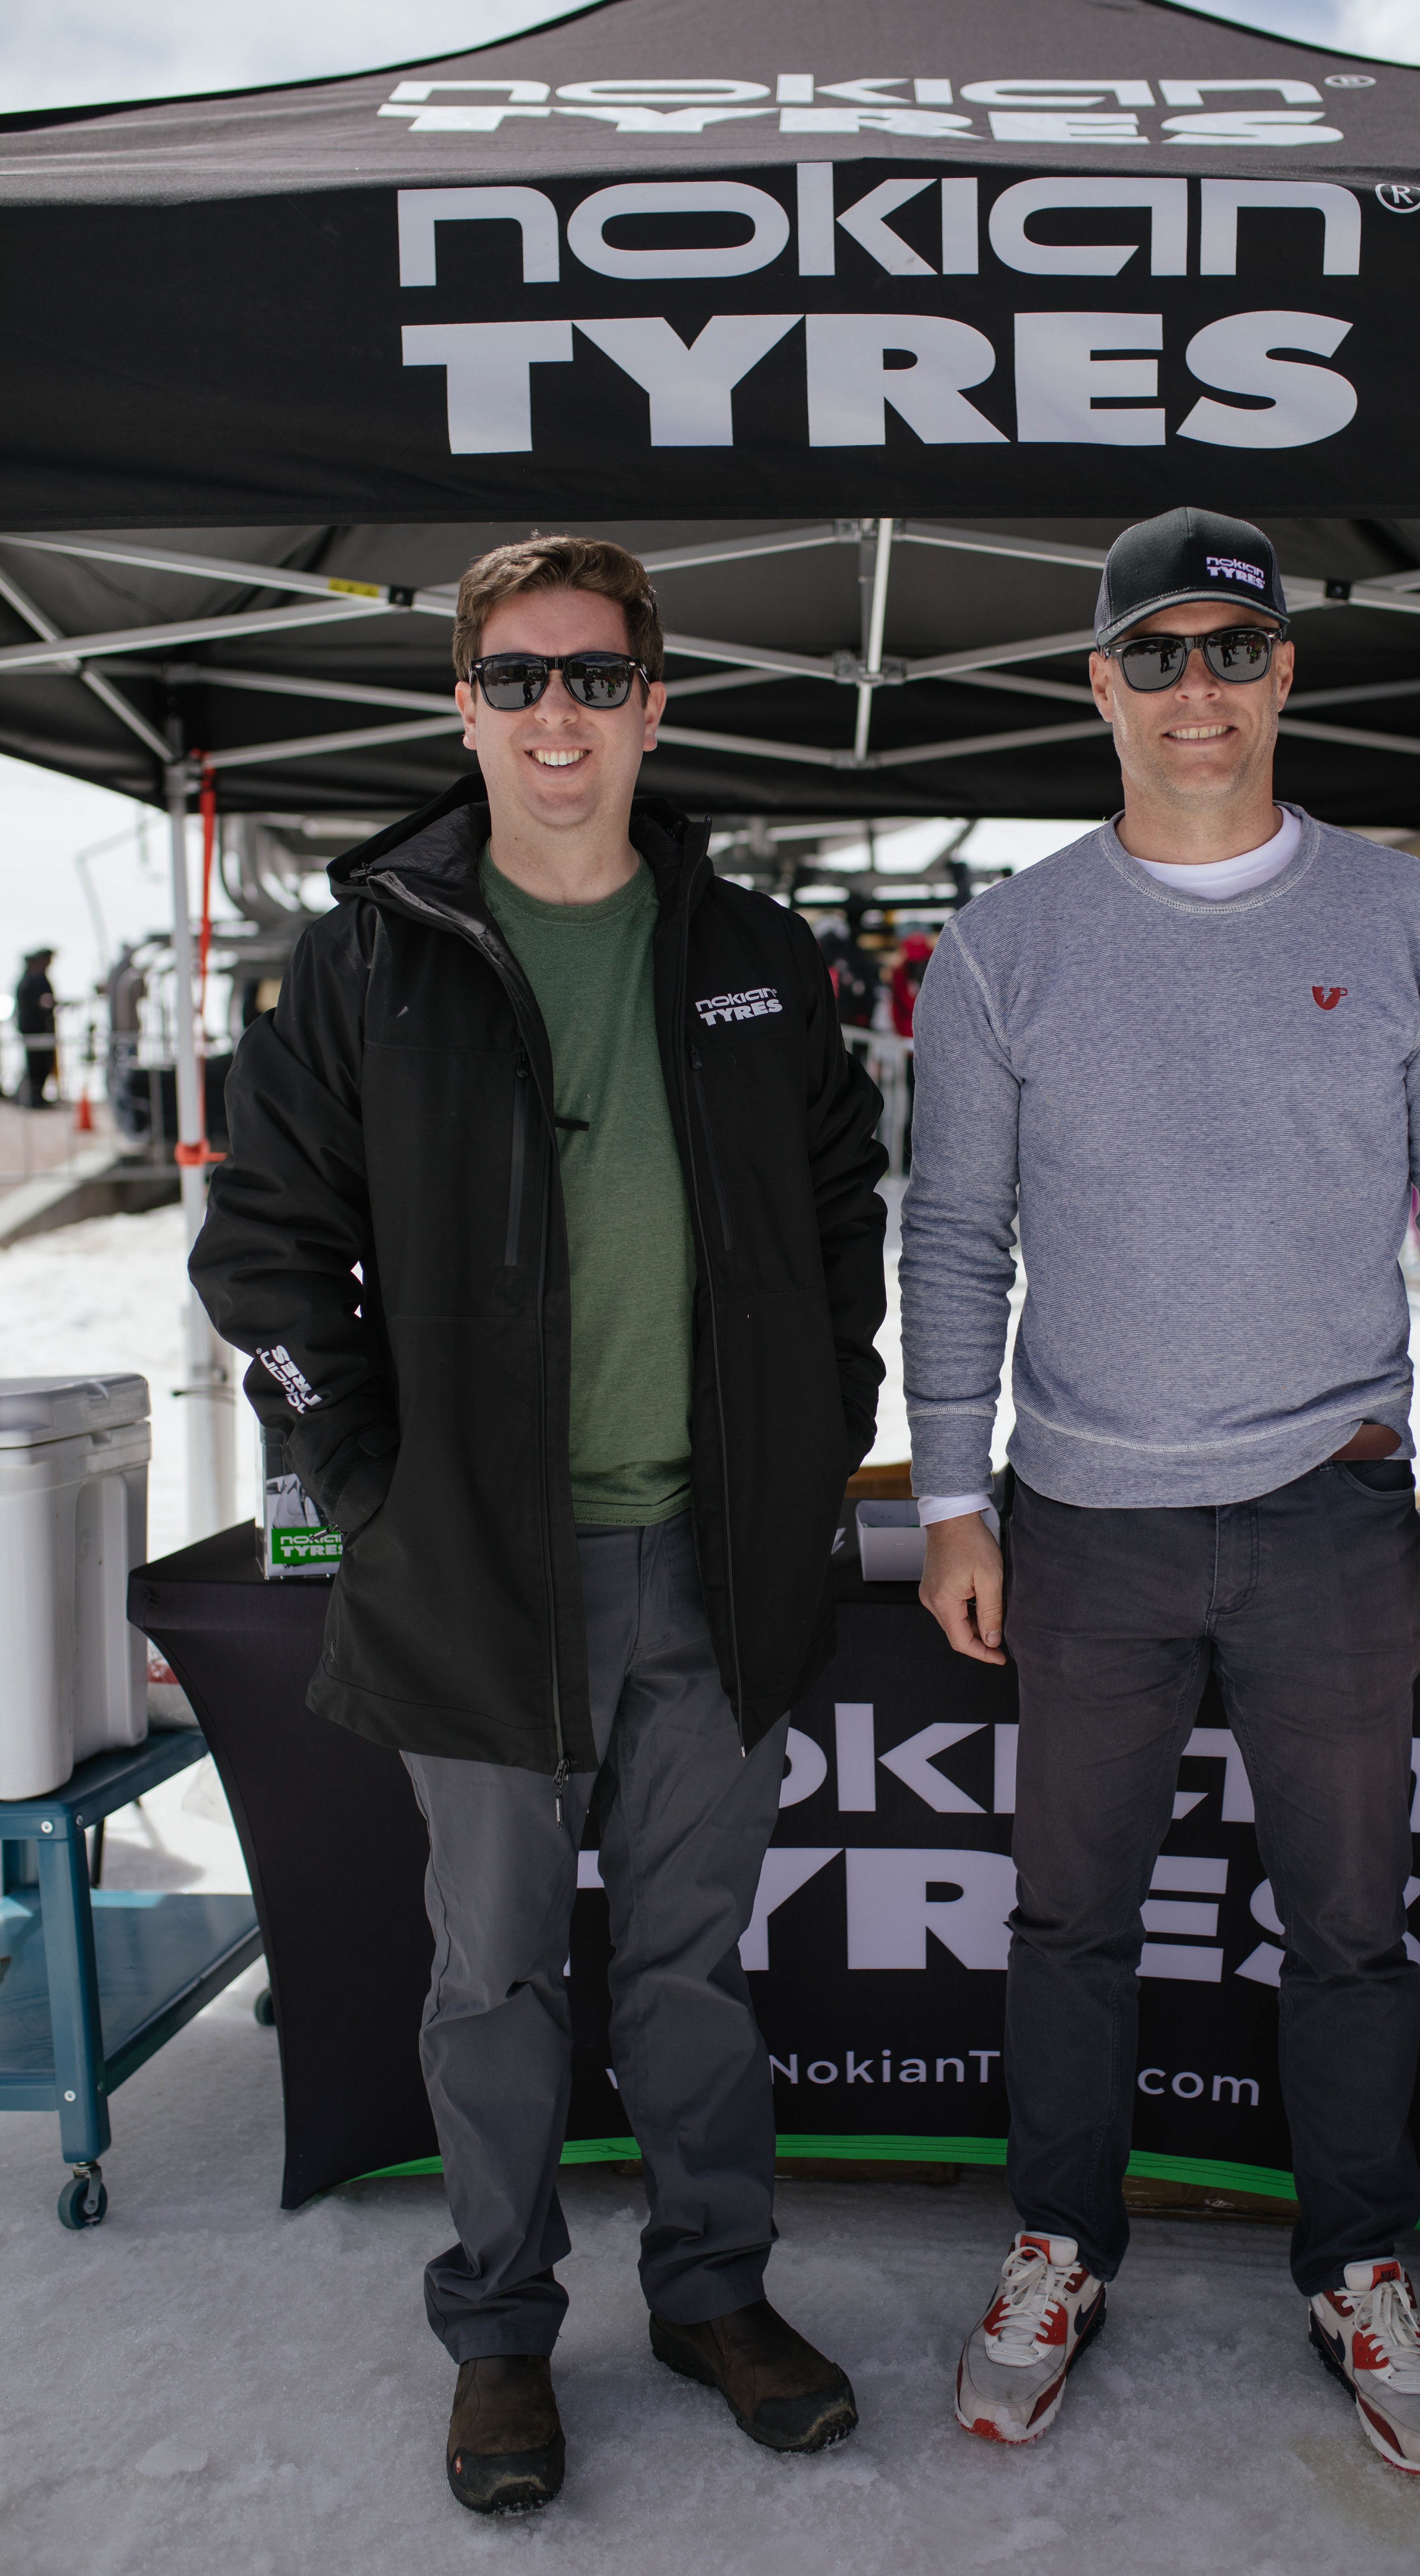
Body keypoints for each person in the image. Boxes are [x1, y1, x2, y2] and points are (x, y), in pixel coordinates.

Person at [191, 535, 888, 2514]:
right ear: (465, 707)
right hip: (479, 1575)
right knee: (493, 1973)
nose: (555, 714)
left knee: (689, 1963)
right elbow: (264, 1249)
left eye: (592, 677)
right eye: (516, 678)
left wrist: (823, 1422)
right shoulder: (367, 955)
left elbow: (846, 1202)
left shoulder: (753, 952)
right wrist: (368, 1481)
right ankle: (499, 2325)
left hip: (718, 1560)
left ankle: (712, 2288)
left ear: (652, 704)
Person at [900, 507, 1420, 2477]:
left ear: (1286, 674)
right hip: (1084, 1514)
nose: (1201, 692)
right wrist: (950, 1493)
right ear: (1100, 684)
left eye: (1236, 651)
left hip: (1327, 1505)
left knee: (1347, 1925)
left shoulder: (1410, 920)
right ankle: (1056, 2243)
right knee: (1069, 1920)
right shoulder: (1005, 943)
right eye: (1160, 656)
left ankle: (1356, 2262)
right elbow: (953, 1239)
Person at [14, 947, 57, 1105]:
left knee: (42, 1063)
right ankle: (31, 1097)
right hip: (34, 1029)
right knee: (35, 1064)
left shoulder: (34, 980)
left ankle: (34, 1096)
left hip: (40, 1028)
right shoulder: (29, 982)